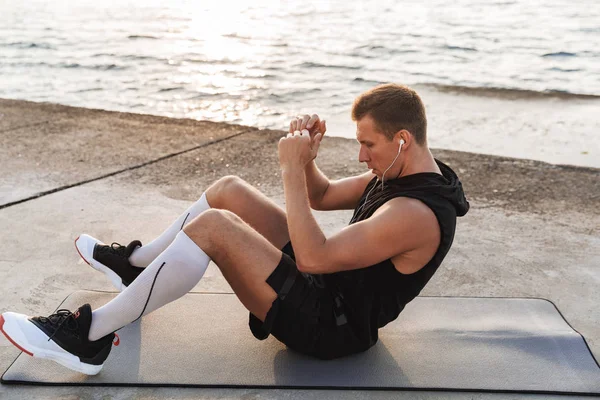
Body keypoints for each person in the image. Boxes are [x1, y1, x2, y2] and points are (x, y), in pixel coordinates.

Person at [0, 84, 469, 375]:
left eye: (368, 144)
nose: (362, 156)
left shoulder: (414, 213)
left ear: (402, 139)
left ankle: (89, 338)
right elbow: (323, 196)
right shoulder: (404, 170)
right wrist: (307, 159)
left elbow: (314, 257)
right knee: (229, 190)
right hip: (328, 287)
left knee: (215, 228)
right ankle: (134, 267)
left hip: (330, 325)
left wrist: (289, 172)